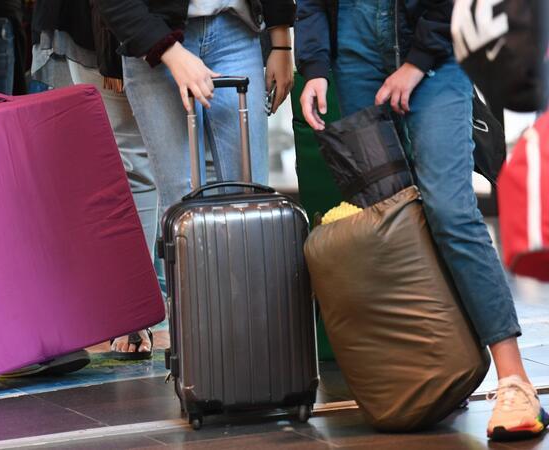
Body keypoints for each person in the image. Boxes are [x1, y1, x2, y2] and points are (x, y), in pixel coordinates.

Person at [295, 0, 548, 441]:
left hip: (437, 50)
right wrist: (314, 65)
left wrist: (417, 62)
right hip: (355, 50)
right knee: (386, 224)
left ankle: (515, 383)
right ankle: (430, 374)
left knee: (450, 209)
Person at [31, 0, 159, 359]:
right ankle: (131, 311)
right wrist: (110, 53)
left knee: (131, 163)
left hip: (154, 25)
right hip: (95, 28)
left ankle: (134, 309)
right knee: (123, 161)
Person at [98, 0, 295, 217]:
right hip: (158, 35)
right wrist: (169, 51)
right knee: (184, 208)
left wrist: (281, 40)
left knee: (253, 205)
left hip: (237, 28)